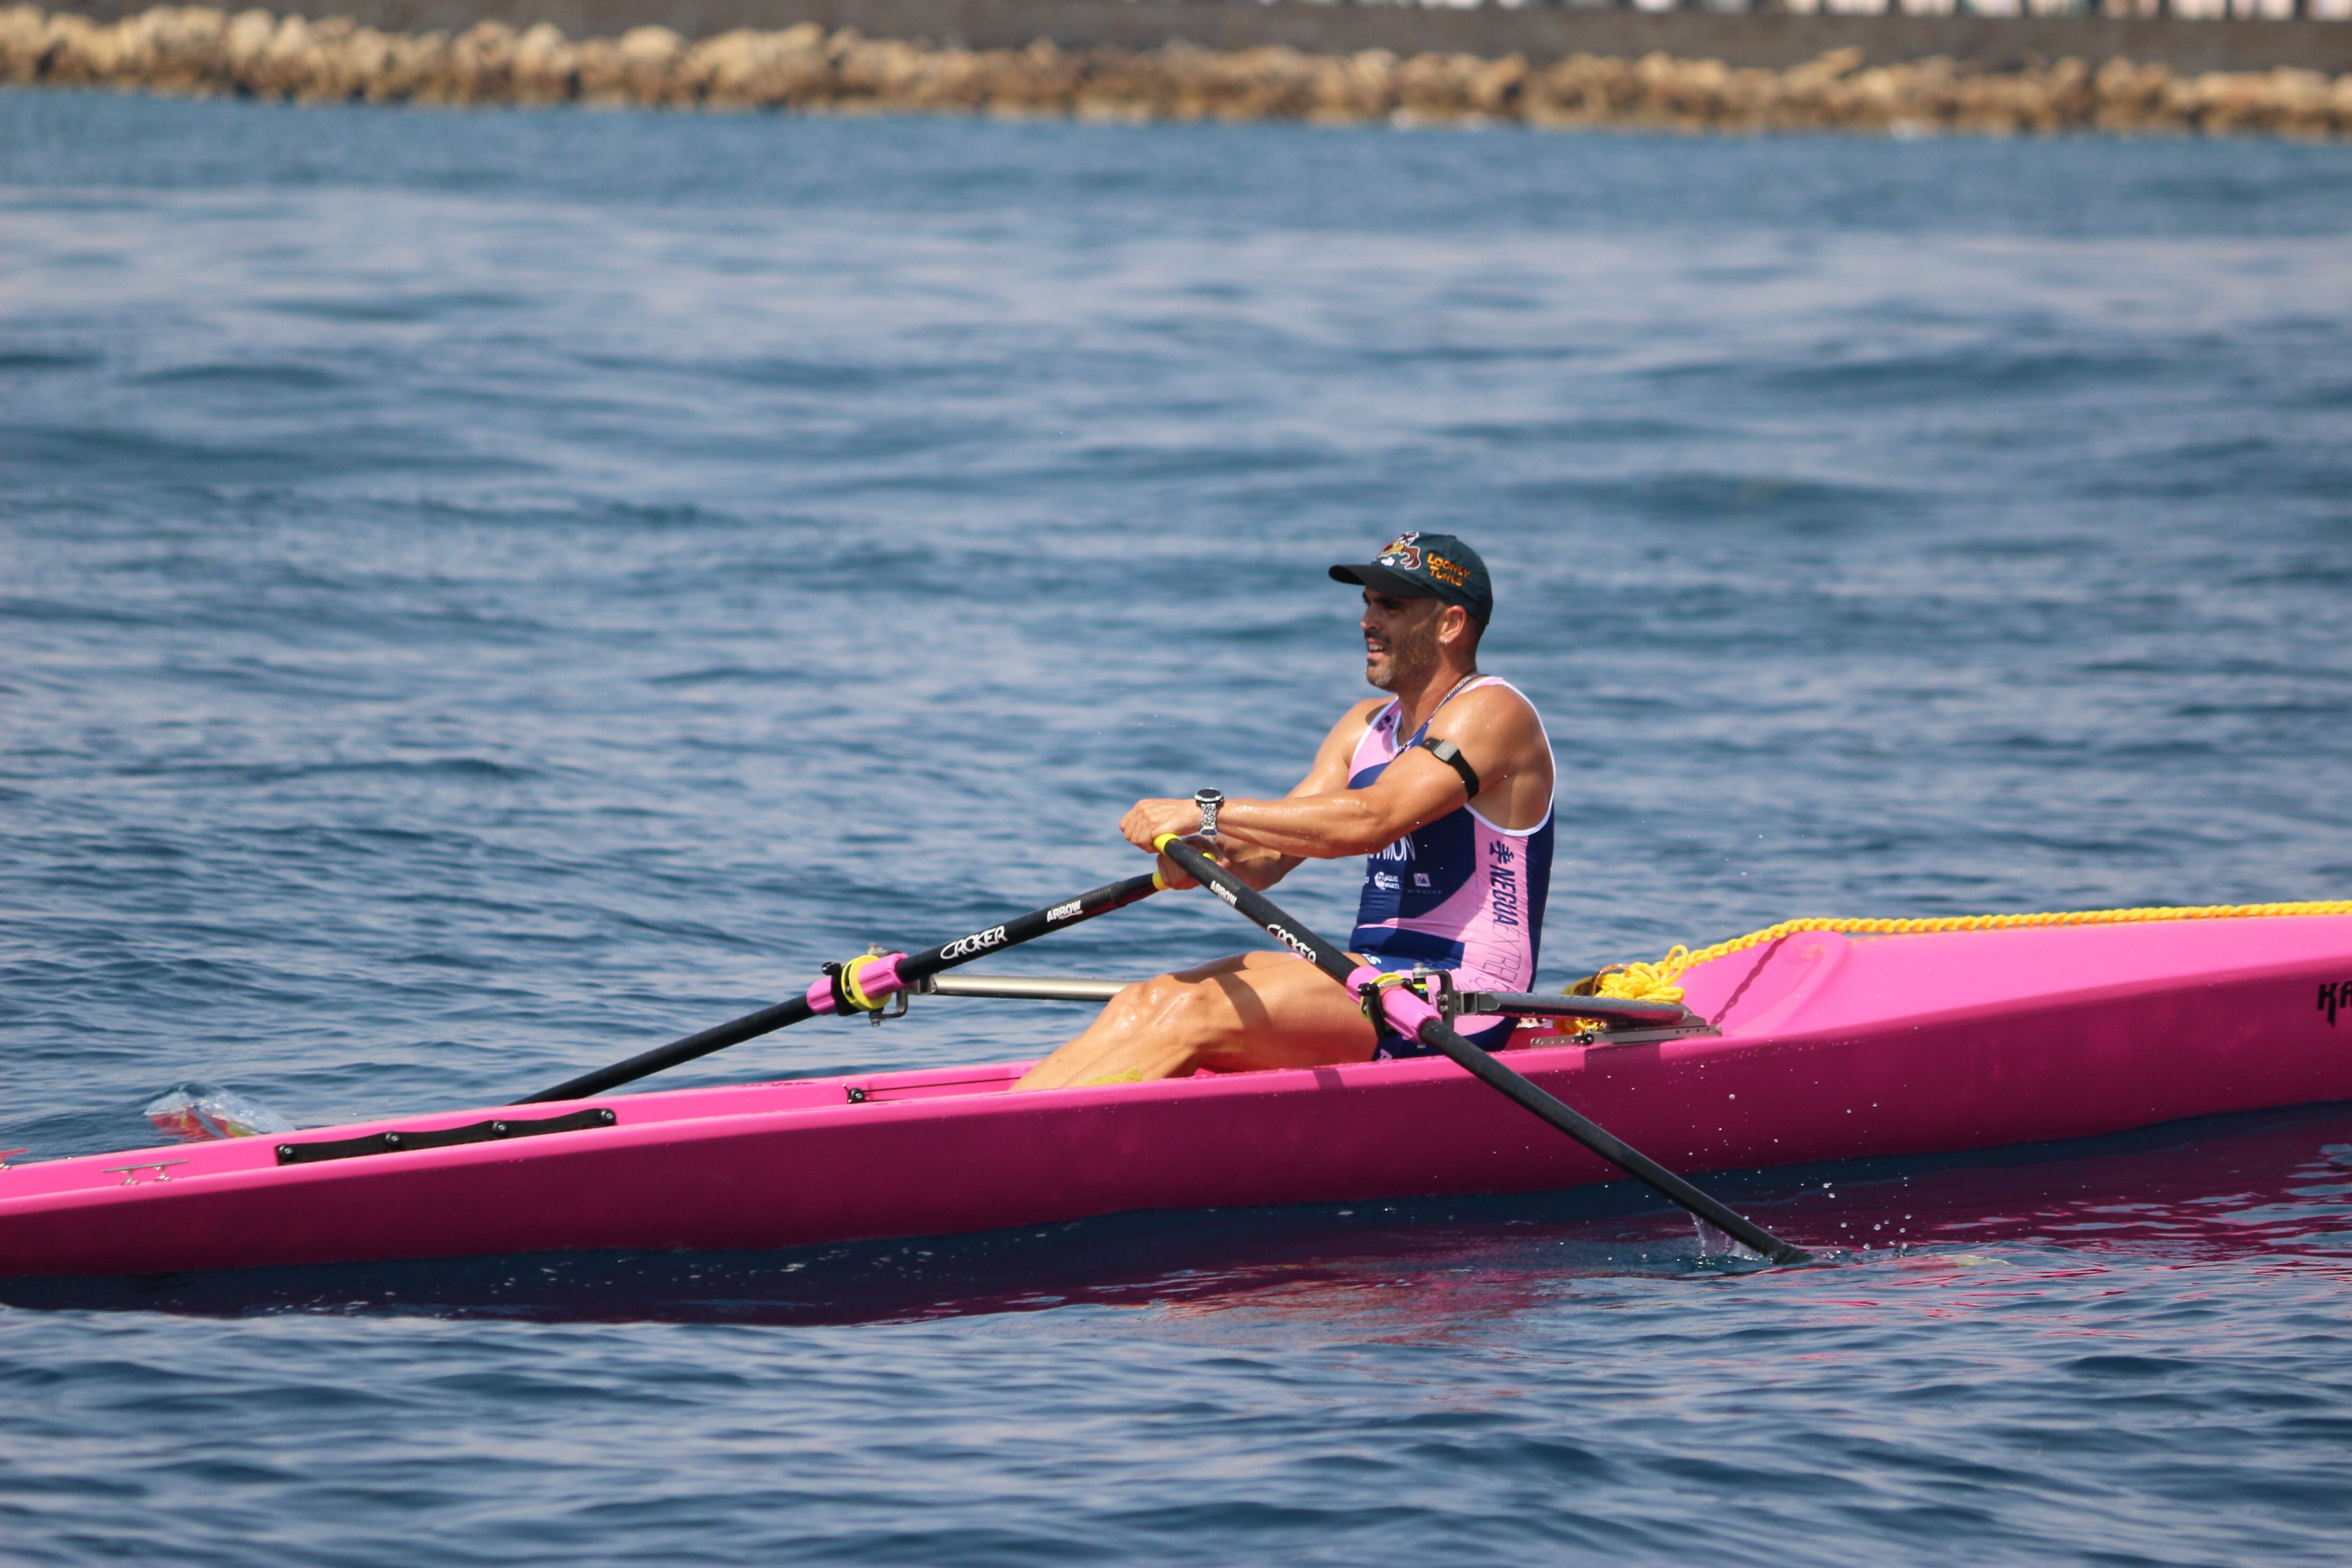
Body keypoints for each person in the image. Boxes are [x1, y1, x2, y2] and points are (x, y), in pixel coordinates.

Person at [1013, 533, 1556, 1090]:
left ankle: (1015, 1157)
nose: (1368, 620)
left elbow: (1373, 820)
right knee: (1147, 999)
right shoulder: (1365, 726)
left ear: (1449, 625)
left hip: (1463, 999)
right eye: (1366, 603)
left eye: (1390, 606)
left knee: (1194, 1013)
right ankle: (1002, 1129)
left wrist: (1205, 811)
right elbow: (1267, 856)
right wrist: (1208, 856)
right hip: (1375, 975)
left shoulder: (1492, 711)